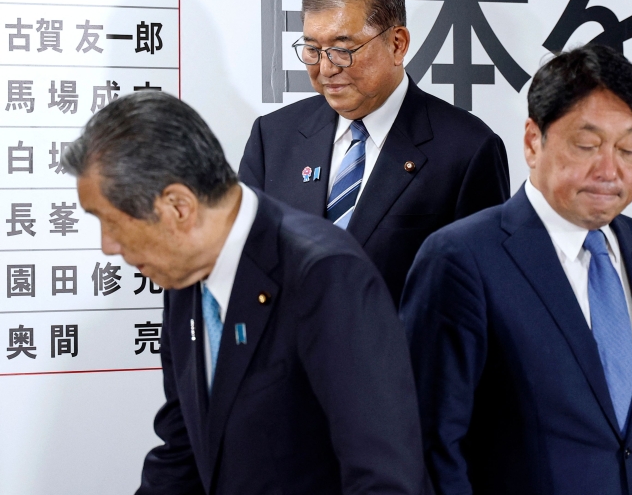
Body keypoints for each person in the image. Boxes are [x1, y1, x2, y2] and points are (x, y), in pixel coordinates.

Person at [64, 92, 426, 495]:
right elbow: (185, 450)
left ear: (178, 207)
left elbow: (386, 478)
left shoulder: (324, 275)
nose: (108, 246)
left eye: (111, 222)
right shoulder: (181, 275)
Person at [400, 45, 632, 495]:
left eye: (628, 149)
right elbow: (432, 447)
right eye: (587, 146)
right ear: (532, 141)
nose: (609, 171)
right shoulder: (461, 258)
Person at [239, 0, 510, 306]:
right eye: (312, 50)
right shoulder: (274, 136)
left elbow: (485, 292)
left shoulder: (467, 149)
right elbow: (246, 261)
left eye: (343, 49)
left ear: (397, 44)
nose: (326, 69)